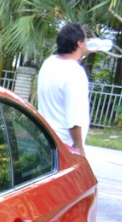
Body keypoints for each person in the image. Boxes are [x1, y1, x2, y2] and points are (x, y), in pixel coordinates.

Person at [36, 23, 91, 155]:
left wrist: (83, 51)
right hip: (65, 146)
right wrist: (79, 148)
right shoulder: (75, 73)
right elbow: (74, 119)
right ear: (80, 44)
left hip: (45, 138)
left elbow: (69, 61)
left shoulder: (49, 63)